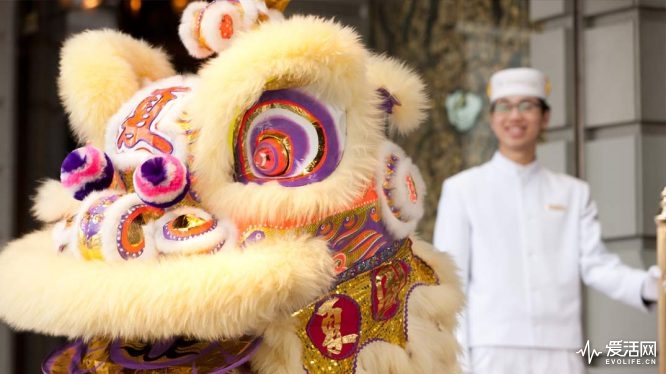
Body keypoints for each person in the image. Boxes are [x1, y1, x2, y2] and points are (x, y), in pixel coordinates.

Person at [433, 67, 661, 374]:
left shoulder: (573, 192)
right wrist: (457, 359)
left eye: (527, 106)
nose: (515, 116)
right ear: (492, 118)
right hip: (491, 349)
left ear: (545, 117)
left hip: (561, 351)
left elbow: (597, 265)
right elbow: (450, 282)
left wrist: (653, 285)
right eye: (505, 106)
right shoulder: (462, 189)